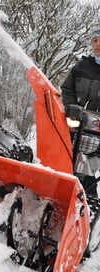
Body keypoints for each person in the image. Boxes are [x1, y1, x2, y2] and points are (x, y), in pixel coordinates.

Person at [61, 27, 100, 197]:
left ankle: (88, 206)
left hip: (97, 129)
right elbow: (67, 88)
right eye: (95, 40)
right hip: (75, 124)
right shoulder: (81, 66)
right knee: (66, 163)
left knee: (89, 170)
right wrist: (71, 107)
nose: (98, 44)